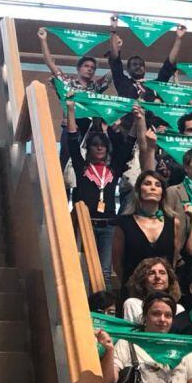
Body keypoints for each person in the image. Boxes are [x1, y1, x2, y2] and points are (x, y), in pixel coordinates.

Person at [63, 97, 136, 280]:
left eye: (103, 145)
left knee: (104, 272)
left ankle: (101, 307)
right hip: (85, 223)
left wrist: (136, 119)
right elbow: (72, 140)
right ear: (89, 148)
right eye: (95, 145)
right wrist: (71, 109)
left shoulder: (113, 169)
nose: (99, 148)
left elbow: (128, 145)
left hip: (109, 226)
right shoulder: (83, 168)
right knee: (81, 269)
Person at [112, 171, 182, 291]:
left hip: (163, 292)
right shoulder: (123, 223)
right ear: (138, 190)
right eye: (147, 183)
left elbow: (173, 261)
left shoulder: (173, 222)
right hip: (131, 291)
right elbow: (117, 262)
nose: (153, 188)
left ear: (162, 194)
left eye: (157, 185)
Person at [107, 16, 185, 101]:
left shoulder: (154, 86)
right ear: (128, 69)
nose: (138, 66)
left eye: (141, 65)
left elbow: (169, 65)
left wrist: (179, 39)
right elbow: (115, 61)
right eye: (134, 64)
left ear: (145, 70)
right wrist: (113, 30)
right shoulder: (122, 82)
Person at [121, 257, 183, 323]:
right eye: (151, 273)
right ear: (142, 280)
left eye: (162, 273)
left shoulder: (179, 309)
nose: (157, 277)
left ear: (169, 279)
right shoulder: (133, 304)